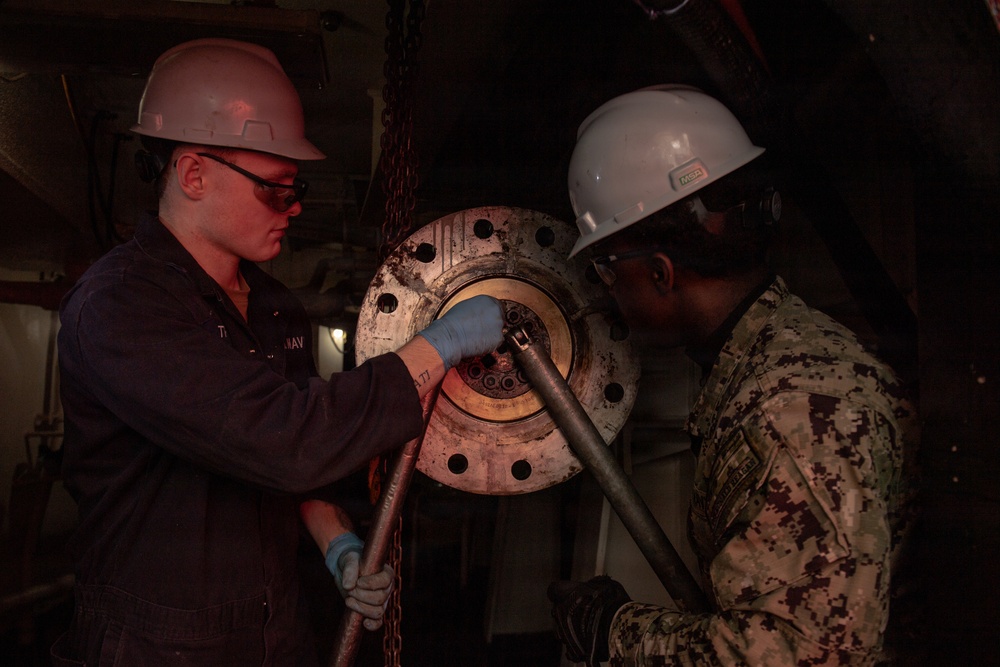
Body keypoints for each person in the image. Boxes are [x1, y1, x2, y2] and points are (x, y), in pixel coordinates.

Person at [53, 38, 504, 666]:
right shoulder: (122, 308)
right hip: (155, 643)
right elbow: (287, 440)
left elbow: (294, 471)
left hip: (272, 630)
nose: (292, 209)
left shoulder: (272, 305)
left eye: (297, 189)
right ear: (193, 174)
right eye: (274, 189)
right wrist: (438, 347)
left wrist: (336, 545)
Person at [548, 85, 919, 665]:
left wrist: (613, 633)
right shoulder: (770, 359)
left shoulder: (794, 410)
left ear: (662, 273)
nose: (607, 290)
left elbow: (800, 654)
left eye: (606, 269)